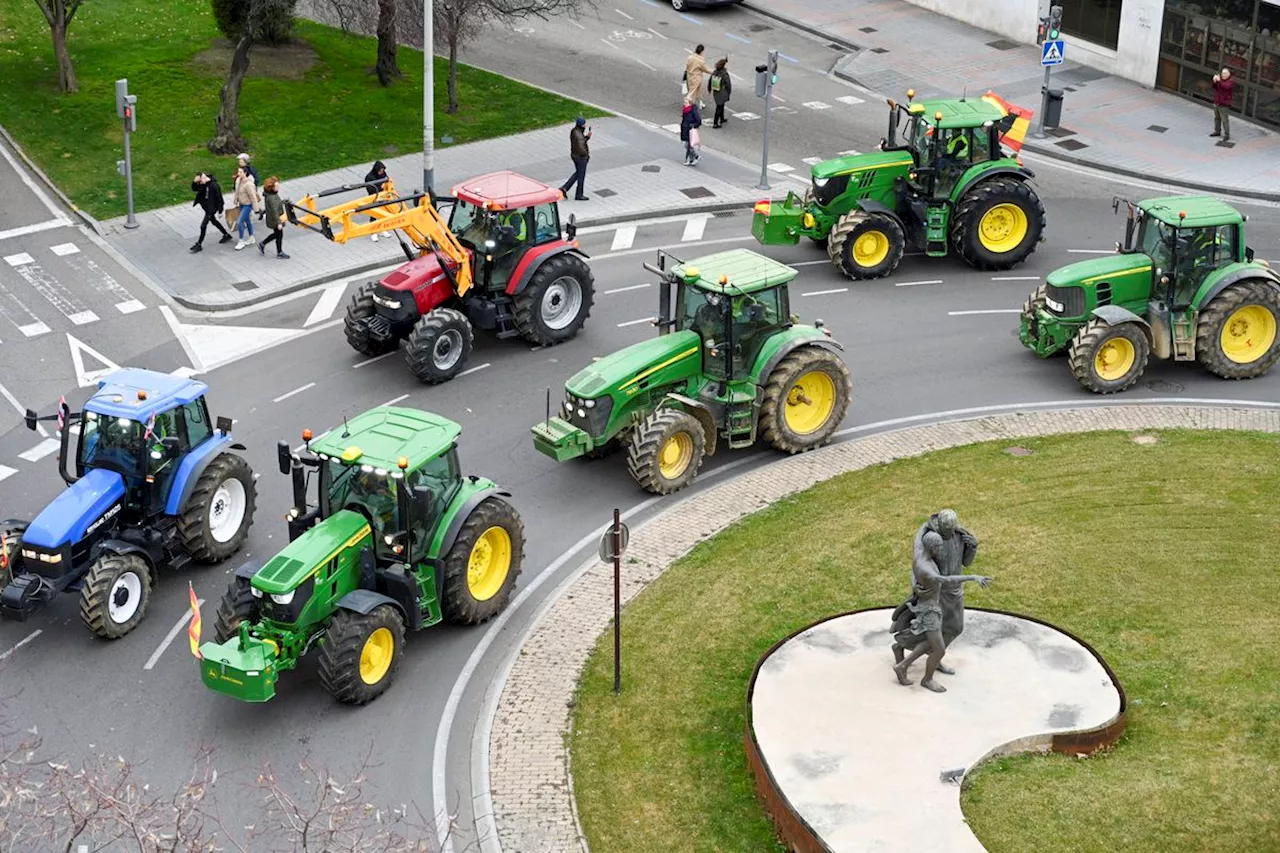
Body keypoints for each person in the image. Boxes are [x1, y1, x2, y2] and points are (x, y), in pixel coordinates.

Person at [889, 509, 990, 693]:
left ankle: (933, 657)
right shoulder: (931, 538)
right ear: (939, 527)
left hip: (954, 592)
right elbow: (918, 564)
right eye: (946, 531)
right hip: (937, 595)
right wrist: (916, 585)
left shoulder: (960, 535)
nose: (949, 535)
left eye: (952, 529)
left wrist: (973, 548)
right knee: (934, 634)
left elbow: (966, 563)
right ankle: (909, 649)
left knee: (955, 629)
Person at [189, 172, 232, 253]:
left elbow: (220, 199)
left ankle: (199, 244)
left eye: (200, 182)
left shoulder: (214, 186)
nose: (200, 184)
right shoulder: (203, 184)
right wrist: (194, 181)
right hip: (206, 207)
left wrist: (220, 211)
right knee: (214, 221)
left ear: (204, 178)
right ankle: (226, 235)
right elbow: (194, 188)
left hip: (211, 209)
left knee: (203, 226)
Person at [559, 117, 591, 202]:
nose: (585, 125)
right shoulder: (579, 134)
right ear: (581, 125)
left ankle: (564, 188)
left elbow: (580, 141)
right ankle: (579, 194)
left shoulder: (574, 131)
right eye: (584, 124)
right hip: (580, 157)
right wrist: (586, 156)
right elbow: (581, 146)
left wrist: (587, 137)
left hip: (574, 155)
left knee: (578, 173)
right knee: (581, 176)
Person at [258, 176, 289, 260]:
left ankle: (263, 243)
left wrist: (281, 202)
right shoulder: (272, 198)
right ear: (272, 188)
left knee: (277, 234)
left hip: (272, 219)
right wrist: (279, 223)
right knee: (279, 235)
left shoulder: (270, 195)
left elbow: (272, 207)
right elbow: (275, 211)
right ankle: (279, 252)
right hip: (275, 220)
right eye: (277, 186)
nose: (278, 187)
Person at [232, 165, 260, 250]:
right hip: (241, 204)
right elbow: (237, 192)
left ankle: (241, 241)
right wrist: (236, 200)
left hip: (247, 205)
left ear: (245, 173)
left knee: (240, 222)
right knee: (247, 221)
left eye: (240, 172)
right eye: (238, 171)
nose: (238, 173)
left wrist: (256, 209)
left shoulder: (249, 184)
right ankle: (251, 238)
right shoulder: (238, 180)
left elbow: (253, 197)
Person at [1211, 68, 1234, 142]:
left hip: (1224, 104)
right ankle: (1217, 131)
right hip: (1217, 102)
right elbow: (1215, 87)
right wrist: (1214, 81)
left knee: (1225, 120)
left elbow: (1225, 87)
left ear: (1228, 74)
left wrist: (1219, 80)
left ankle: (1227, 135)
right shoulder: (1220, 80)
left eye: (1224, 73)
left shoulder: (1230, 81)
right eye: (1222, 73)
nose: (1223, 75)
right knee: (1217, 118)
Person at [710, 58, 732, 128]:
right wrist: (729, 92)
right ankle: (715, 123)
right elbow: (728, 84)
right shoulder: (724, 74)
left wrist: (709, 89)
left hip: (716, 92)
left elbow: (710, 81)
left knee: (721, 105)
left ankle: (722, 118)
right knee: (719, 107)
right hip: (722, 92)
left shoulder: (715, 72)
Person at [680, 101, 703, 166]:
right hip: (685, 129)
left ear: (690, 103)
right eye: (684, 102)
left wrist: (693, 125)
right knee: (687, 145)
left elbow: (699, 121)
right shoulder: (685, 110)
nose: (684, 104)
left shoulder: (693, 111)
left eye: (686, 103)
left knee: (687, 145)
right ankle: (691, 159)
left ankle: (696, 156)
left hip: (690, 130)